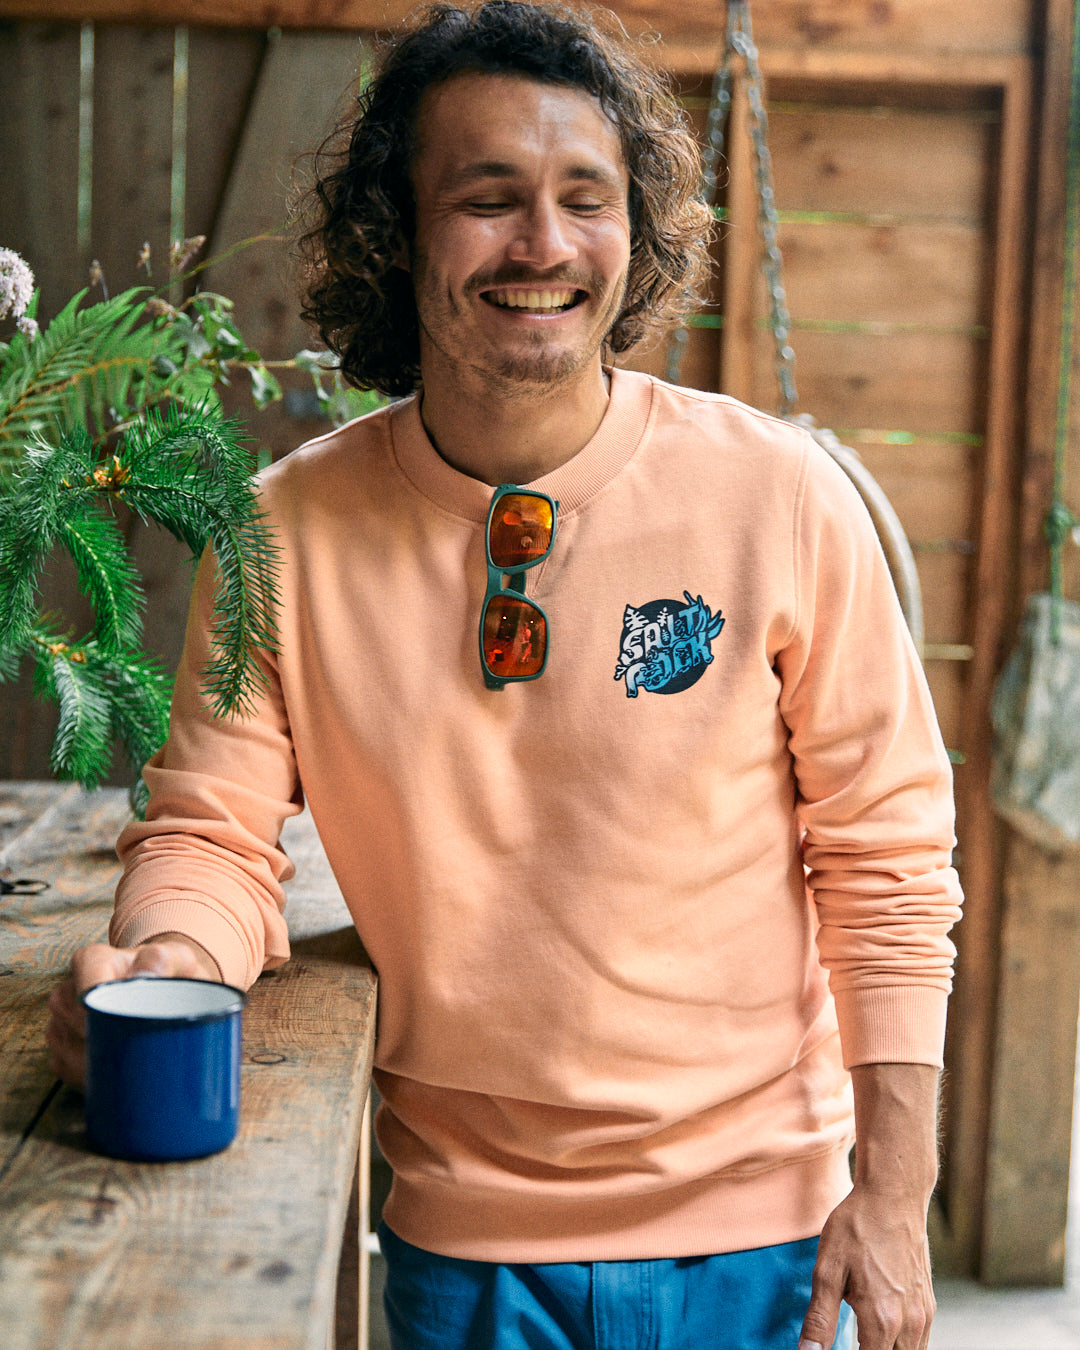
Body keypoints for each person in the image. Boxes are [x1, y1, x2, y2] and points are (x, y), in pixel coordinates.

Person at [46, 4, 963, 1348]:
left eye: (582, 199)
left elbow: (887, 859)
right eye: (489, 199)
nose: (543, 243)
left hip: (760, 1238)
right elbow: (212, 827)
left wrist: (894, 1193)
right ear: (395, 235)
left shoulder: (782, 496)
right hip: (460, 1245)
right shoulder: (282, 531)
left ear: (634, 232)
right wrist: (168, 961)